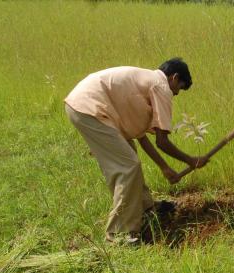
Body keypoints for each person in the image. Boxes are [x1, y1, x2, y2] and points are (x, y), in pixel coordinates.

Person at [64, 58, 208, 245]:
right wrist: (190, 160)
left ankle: (144, 208)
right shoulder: (161, 86)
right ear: (174, 77)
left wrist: (165, 168)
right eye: (178, 89)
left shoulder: (145, 82)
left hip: (84, 106)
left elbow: (141, 137)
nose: (175, 93)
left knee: (129, 156)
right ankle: (119, 235)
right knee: (127, 166)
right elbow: (162, 142)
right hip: (89, 108)